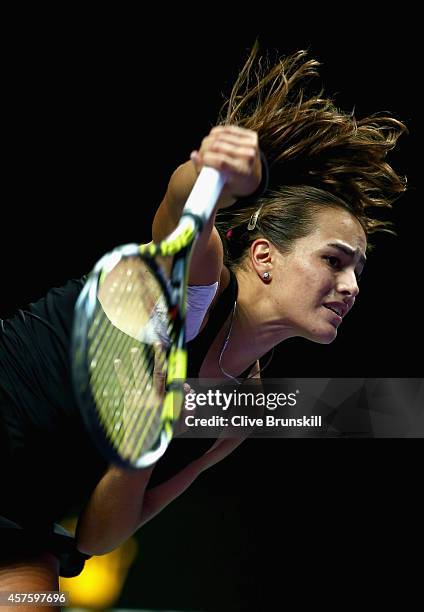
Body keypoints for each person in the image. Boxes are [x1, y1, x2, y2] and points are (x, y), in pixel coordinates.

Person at [0, 43, 406, 600]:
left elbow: (99, 537)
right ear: (263, 257)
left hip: (22, 523)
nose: (351, 286)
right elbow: (181, 202)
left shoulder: (244, 409)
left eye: (359, 270)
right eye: (334, 260)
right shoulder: (202, 288)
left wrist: (141, 442)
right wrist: (212, 172)